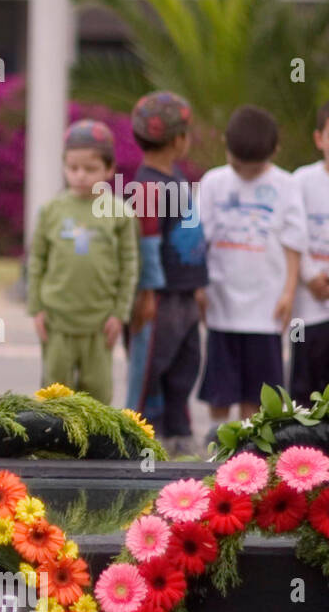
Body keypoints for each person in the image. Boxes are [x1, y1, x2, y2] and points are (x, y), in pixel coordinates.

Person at [197, 105, 305, 421]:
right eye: (238, 165)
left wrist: (288, 292)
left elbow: (294, 242)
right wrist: (199, 287)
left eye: (253, 169)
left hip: (266, 306)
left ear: (275, 150)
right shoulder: (213, 182)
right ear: (225, 144)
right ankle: (217, 439)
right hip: (221, 304)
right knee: (220, 385)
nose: (244, 174)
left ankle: (248, 444)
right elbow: (196, 238)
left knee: (257, 391)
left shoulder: (287, 185)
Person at [26, 120, 138, 403]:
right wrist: (36, 307)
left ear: (109, 169)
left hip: (100, 323)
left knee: (97, 396)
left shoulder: (119, 213)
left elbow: (129, 266)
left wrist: (119, 314)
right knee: (55, 396)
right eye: (73, 168)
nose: (80, 176)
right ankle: (54, 444)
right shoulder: (52, 210)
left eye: (90, 169)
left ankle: (94, 447)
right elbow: (36, 260)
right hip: (57, 320)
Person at [124, 92, 207, 453]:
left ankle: (178, 435)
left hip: (185, 295)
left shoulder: (175, 179)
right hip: (158, 298)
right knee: (150, 370)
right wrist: (146, 295)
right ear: (177, 139)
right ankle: (139, 437)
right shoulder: (147, 186)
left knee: (185, 365)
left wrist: (199, 286)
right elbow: (146, 246)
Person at [290, 98, 329, 402]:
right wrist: (311, 276)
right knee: (304, 392)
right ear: (319, 139)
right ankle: (305, 450)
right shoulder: (301, 181)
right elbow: (291, 234)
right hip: (308, 308)